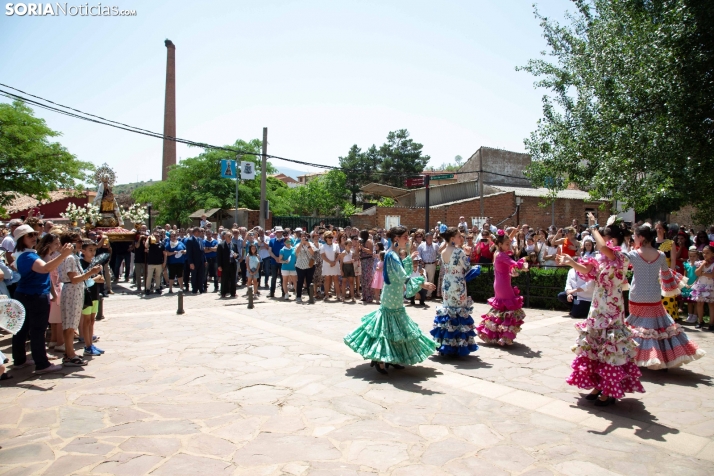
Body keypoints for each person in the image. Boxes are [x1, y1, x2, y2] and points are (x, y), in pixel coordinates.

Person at [557, 213, 644, 406]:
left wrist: (594, 227)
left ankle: (609, 389)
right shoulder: (604, 259)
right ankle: (599, 384)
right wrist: (570, 262)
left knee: (610, 346)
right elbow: (588, 271)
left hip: (612, 307)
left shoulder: (621, 256)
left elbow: (603, 247)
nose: (598, 243)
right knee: (597, 347)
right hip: (598, 306)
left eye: (602, 238)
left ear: (610, 239)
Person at [344, 226, 437, 374]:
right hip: (391, 296)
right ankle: (380, 358)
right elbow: (402, 275)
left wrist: (408, 259)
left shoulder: (392, 254)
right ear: (396, 238)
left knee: (395, 327)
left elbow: (400, 271)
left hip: (394, 294)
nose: (408, 239)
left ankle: (391, 357)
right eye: (405, 236)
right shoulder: (391, 255)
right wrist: (422, 283)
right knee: (386, 327)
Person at [625, 224, 704, 369]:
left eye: (635, 236)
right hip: (654, 295)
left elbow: (620, 267)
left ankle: (638, 356)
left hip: (637, 294)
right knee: (657, 327)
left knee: (637, 326)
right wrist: (676, 285)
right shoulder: (660, 255)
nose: (633, 239)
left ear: (641, 237)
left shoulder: (633, 254)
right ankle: (659, 357)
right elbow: (666, 274)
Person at [11, 225, 74, 374]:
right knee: (38, 331)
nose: (34, 237)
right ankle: (42, 364)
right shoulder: (28, 256)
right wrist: (63, 255)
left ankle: (20, 360)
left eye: (34, 234)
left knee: (22, 329)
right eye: (29, 236)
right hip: (34, 295)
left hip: (26, 294)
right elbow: (45, 268)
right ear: (21, 239)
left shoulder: (23, 254)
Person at [431, 227, 478, 356]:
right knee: (459, 310)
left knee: (448, 309)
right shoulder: (459, 251)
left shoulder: (443, 251)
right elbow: (467, 267)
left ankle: (446, 343)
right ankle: (458, 344)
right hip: (458, 282)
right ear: (452, 239)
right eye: (458, 236)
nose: (461, 238)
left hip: (447, 282)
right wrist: (467, 255)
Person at [476, 229, 528, 346]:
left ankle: (496, 335)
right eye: (507, 244)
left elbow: (505, 246)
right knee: (509, 309)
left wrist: (512, 234)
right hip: (503, 285)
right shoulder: (501, 255)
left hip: (500, 284)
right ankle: (504, 337)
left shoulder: (498, 253)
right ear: (500, 245)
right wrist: (523, 265)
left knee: (502, 310)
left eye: (509, 244)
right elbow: (513, 263)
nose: (509, 246)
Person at [58, 232, 101, 368]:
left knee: (72, 324)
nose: (81, 243)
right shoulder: (70, 257)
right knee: (70, 325)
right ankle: (69, 354)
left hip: (75, 291)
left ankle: (70, 353)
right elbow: (74, 279)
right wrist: (90, 273)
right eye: (78, 241)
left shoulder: (73, 257)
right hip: (72, 290)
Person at [37, 233, 65, 352]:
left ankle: (54, 340)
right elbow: (48, 277)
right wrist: (54, 293)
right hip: (53, 288)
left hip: (53, 287)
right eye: (56, 243)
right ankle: (60, 342)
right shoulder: (47, 257)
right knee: (58, 318)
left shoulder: (47, 256)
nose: (58, 245)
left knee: (54, 317)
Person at [79, 240, 104, 357]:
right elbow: (84, 280)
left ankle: (91, 344)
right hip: (86, 295)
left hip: (95, 293)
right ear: (83, 251)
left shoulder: (95, 263)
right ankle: (87, 345)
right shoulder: (80, 263)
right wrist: (94, 277)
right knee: (86, 320)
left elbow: (101, 279)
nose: (93, 252)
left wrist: (97, 277)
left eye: (94, 250)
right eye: (90, 250)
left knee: (92, 320)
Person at [691, 243, 714, 330]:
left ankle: (711, 323)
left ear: (712, 254)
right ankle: (700, 321)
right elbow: (697, 273)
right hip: (700, 286)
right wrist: (702, 264)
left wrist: (703, 273)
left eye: (707, 253)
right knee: (700, 303)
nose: (705, 255)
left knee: (711, 304)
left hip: (711, 286)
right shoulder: (700, 263)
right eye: (703, 253)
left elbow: (712, 275)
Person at [295, 233, 318, 303]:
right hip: (300, 266)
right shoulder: (297, 244)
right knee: (300, 282)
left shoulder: (311, 244)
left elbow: (312, 253)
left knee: (309, 281)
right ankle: (298, 296)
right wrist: (301, 244)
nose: (304, 238)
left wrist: (308, 245)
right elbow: (296, 253)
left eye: (305, 236)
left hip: (310, 266)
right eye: (302, 236)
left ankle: (310, 296)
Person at [682, 245, 701, 323]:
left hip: (695, 284)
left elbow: (698, 276)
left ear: (697, 256)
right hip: (688, 284)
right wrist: (686, 284)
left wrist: (693, 284)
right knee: (689, 301)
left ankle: (695, 315)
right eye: (690, 256)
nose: (692, 257)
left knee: (695, 302)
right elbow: (685, 275)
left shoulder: (698, 265)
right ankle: (690, 314)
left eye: (694, 256)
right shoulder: (686, 265)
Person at [320, 231, 341, 301]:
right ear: (326, 238)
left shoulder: (336, 245)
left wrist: (334, 262)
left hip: (335, 264)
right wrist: (330, 262)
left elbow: (338, 254)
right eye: (329, 237)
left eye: (332, 237)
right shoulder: (323, 246)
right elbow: (323, 256)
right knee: (327, 280)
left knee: (336, 280)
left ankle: (338, 295)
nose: (331, 238)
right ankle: (326, 295)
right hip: (327, 264)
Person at [417, 233, 439, 299]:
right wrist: (421, 260)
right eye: (429, 238)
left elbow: (440, 254)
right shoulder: (421, 246)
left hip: (432, 264)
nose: (430, 239)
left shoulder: (435, 246)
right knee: (422, 279)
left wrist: (437, 260)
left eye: (431, 238)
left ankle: (429, 295)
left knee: (431, 279)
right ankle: (422, 294)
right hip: (424, 265)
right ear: (426, 238)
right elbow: (418, 254)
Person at [217, 231, 238, 298]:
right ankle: (223, 292)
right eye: (229, 236)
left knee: (233, 279)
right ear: (225, 237)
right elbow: (218, 256)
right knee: (224, 279)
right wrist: (219, 265)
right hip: (225, 265)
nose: (230, 237)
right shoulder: (221, 245)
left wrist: (236, 255)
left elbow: (237, 254)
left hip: (232, 264)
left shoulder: (234, 245)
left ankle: (233, 293)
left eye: (231, 236)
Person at [186, 227, 207, 294]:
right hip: (194, 261)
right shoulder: (190, 240)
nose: (200, 233)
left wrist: (204, 260)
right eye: (199, 232)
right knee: (194, 275)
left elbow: (202, 251)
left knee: (201, 275)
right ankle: (194, 289)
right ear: (195, 232)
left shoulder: (200, 240)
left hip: (201, 261)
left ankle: (201, 288)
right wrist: (191, 262)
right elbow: (189, 253)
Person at [145, 229, 165, 295]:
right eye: (155, 236)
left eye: (158, 236)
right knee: (149, 276)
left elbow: (164, 254)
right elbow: (146, 246)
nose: (157, 237)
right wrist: (148, 238)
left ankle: (157, 288)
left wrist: (164, 262)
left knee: (158, 276)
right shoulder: (151, 244)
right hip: (151, 263)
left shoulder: (162, 244)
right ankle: (147, 289)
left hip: (159, 263)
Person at [268, 227, 286, 298]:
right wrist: (275, 258)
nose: (279, 233)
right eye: (278, 232)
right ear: (275, 233)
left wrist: (281, 258)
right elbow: (270, 251)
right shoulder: (271, 240)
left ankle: (284, 292)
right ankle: (272, 292)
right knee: (274, 277)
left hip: (283, 262)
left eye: (281, 232)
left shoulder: (285, 240)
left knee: (283, 277)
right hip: (274, 261)